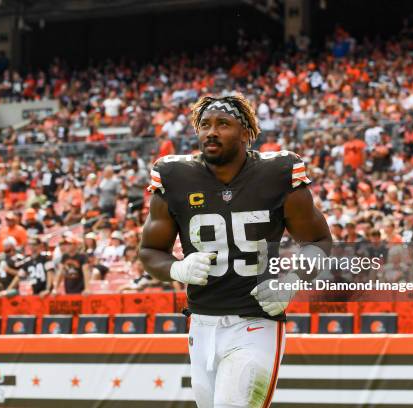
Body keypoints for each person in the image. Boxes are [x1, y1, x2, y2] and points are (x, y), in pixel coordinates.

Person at [139, 93, 331, 408]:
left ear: (245, 133)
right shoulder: (175, 176)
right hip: (201, 325)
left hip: (255, 322)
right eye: (205, 125)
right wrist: (177, 269)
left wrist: (292, 280)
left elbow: (320, 242)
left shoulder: (278, 172)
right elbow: (149, 251)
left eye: (223, 124)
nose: (211, 132)